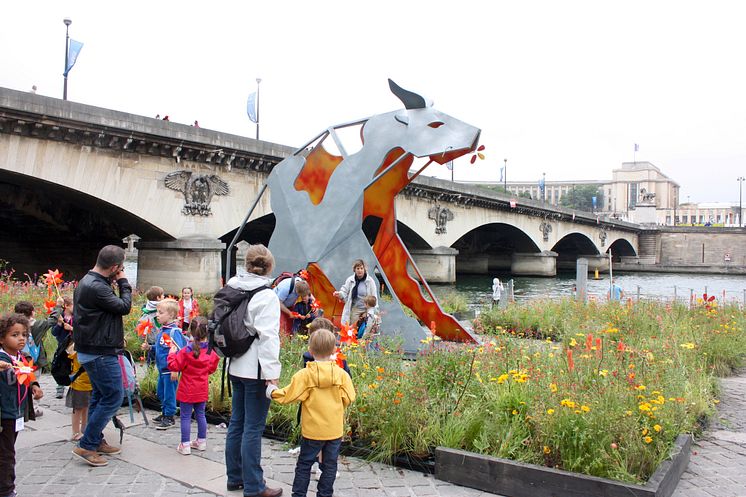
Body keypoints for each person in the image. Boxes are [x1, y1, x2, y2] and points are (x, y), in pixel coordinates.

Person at [267, 329, 356, 497]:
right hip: (334, 430)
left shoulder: (305, 375)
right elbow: (350, 396)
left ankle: (299, 494)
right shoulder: (342, 375)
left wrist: (272, 392)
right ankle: (324, 494)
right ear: (334, 350)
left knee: (305, 464)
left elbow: (289, 395)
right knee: (329, 466)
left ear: (311, 350)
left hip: (312, 431)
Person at [224, 244, 283, 497]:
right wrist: (272, 374)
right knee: (252, 428)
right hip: (256, 369)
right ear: (269, 267)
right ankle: (255, 486)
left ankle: (234, 477)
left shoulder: (232, 286)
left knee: (236, 423)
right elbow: (268, 337)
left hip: (234, 364)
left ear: (246, 264)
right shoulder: (267, 295)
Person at [71, 244, 132, 467]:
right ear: (115, 267)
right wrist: (124, 282)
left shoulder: (89, 281)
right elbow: (124, 306)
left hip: (92, 348)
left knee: (99, 395)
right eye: (121, 267)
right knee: (113, 396)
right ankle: (87, 445)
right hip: (100, 352)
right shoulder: (97, 286)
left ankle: (95, 439)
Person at [0, 313, 44, 497]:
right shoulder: (3, 360)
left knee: (8, 449)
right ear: (2, 338)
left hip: (16, 412)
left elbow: (27, 375)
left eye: (24, 334)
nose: (21, 339)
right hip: (4, 413)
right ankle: (6, 489)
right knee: (6, 454)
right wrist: (11, 369)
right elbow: (12, 380)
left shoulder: (21, 356)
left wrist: (34, 385)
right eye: (15, 335)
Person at [167, 316, 219, 455]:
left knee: (185, 416)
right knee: (201, 414)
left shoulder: (186, 351)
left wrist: (171, 354)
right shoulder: (210, 352)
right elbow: (212, 369)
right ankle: (201, 441)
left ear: (190, 331)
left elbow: (174, 365)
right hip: (201, 388)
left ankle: (185, 445)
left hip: (187, 389)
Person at [154, 299, 187, 430]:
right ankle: (164, 412)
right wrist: (150, 347)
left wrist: (175, 369)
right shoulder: (163, 330)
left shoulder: (174, 332)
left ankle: (169, 416)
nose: (157, 314)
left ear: (171, 315)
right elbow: (163, 347)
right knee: (160, 392)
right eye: (157, 312)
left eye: (161, 312)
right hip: (162, 369)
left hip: (170, 369)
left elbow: (179, 351)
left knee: (169, 393)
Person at [333, 259, 378, 326]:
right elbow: (344, 291)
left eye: (361, 268)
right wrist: (339, 294)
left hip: (367, 309)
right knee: (353, 329)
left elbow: (374, 297)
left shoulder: (370, 281)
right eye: (358, 268)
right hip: (356, 308)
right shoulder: (350, 280)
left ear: (364, 269)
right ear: (354, 270)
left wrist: (373, 312)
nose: (360, 270)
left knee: (366, 329)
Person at [66, 339, 92, 442]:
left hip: (89, 383)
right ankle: (75, 432)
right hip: (79, 383)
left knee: (86, 407)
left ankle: (84, 429)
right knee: (78, 409)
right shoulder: (76, 347)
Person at [51, 296, 74, 398]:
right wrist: (59, 323)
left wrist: (71, 328)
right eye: (73, 305)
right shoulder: (60, 316)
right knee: (62, 366)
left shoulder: (77, 316)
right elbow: (54, 332)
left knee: (74, 367)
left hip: (74, 346)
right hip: (62, 345)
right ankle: (60, 387)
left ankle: (74, 387)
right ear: (67, 306)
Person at [138, 286, 164, 366]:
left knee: (150, 353)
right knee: (157, 351)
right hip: (156, 333)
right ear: (158, 297)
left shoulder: (148, 305)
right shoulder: (159, 306)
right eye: (163, 295)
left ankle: (150, 370)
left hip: (148, 332)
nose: (164, 296)